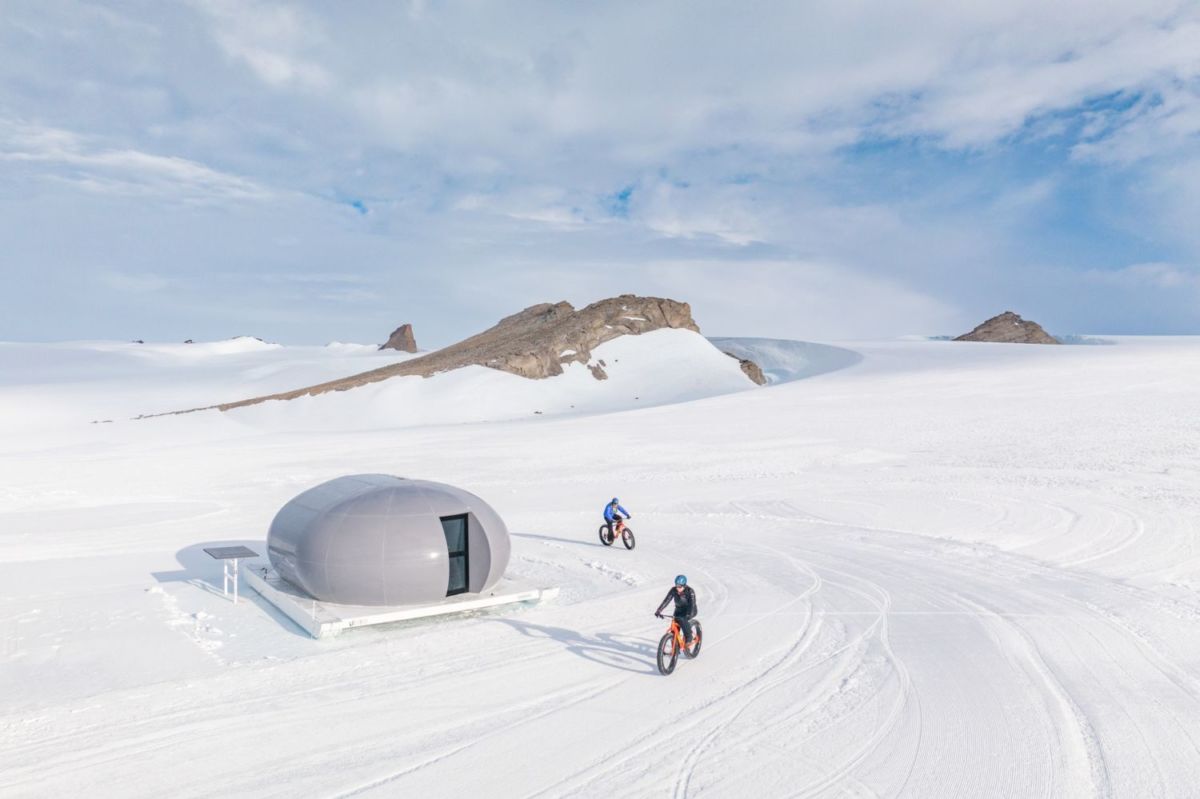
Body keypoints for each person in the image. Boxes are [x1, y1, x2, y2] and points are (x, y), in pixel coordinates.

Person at [655, 574, 697, 646]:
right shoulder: (673, 590)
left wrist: (688, 614)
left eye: (680, 586)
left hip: (690, 610)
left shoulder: (690, 591)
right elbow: (666, 600)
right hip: (679, 610)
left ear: (684, 585)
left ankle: (689, 637)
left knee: (683, 620)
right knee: (674, 628)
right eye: (676, 585)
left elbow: (692, 604)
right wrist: (659, 610)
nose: (678, 588)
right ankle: (675, 648)